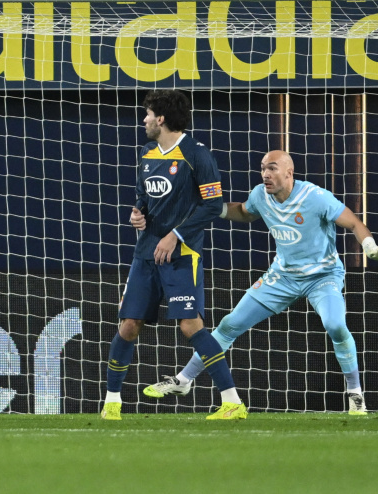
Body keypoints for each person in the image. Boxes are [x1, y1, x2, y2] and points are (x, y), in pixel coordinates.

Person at [143, 150, 378, 415]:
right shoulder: (260, 194)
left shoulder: (315, 197)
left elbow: (354, 223)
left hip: (322, 277)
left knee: (335, 325)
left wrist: (370, 247)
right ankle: (183, 380)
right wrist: (214, 208)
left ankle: (355, 393)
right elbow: (244, 212)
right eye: (263, 168)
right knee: (230, 323)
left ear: (289, 172)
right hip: (282, 277)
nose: (266, 174)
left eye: (273, 168)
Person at [101, 89, 247, 421]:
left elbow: (213, 205)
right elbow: (143, 197)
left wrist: (174, 235)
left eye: (148, 113)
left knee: (190, 326)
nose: (145, 119)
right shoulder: (147, 152)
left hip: (182, 254)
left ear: (162, 118)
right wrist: (137, 215)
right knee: (128, 325)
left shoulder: (197, 154)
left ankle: (232, 402)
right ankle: (112, 402)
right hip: (146, 254)